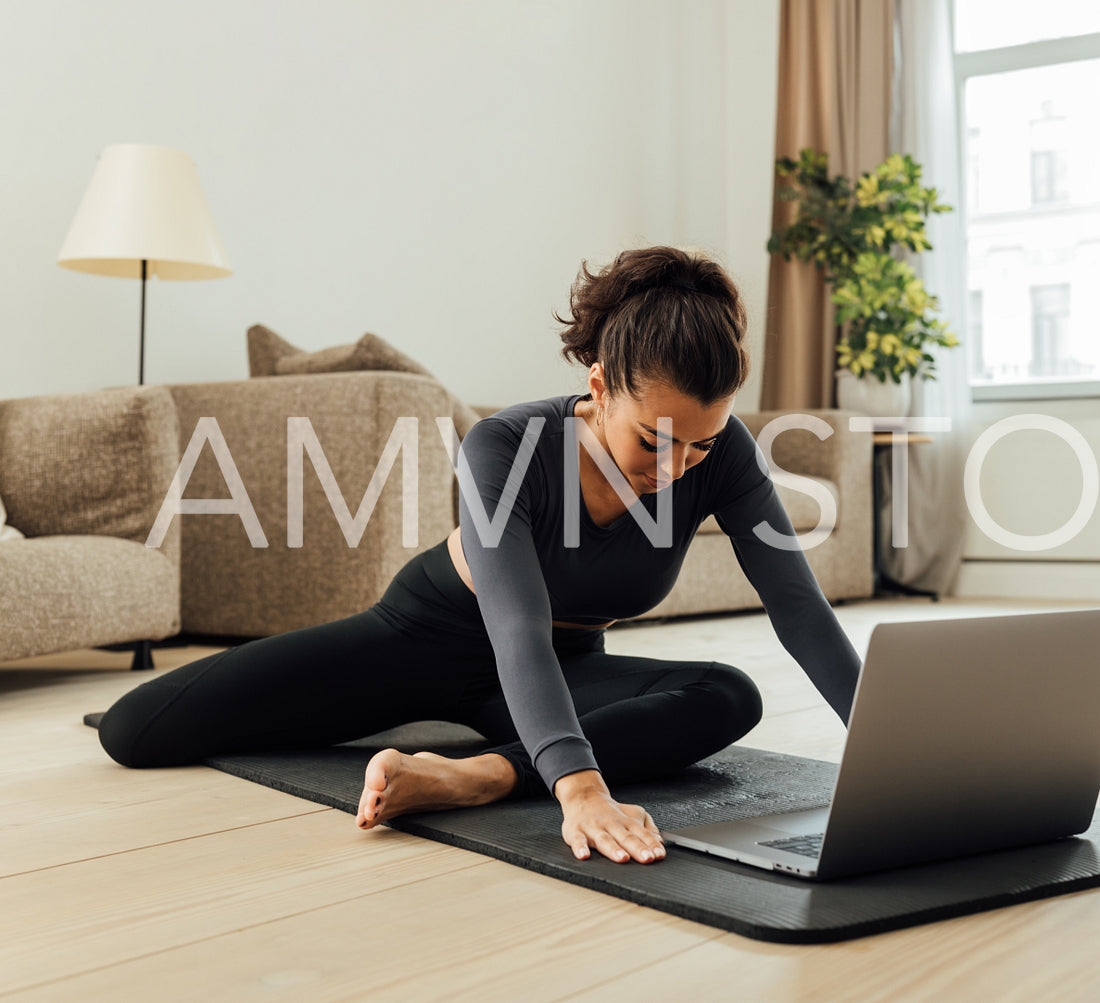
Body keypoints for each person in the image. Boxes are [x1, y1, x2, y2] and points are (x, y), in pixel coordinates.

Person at [97, 245, 862, 866]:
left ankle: (478, 772)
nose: (676, 466)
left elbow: (798, 608)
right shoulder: (505, 445)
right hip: (426, 639)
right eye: (654, 441)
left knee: (727, 695)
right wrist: (579, 785)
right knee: (135, 729)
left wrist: (883, 741)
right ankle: (520, 760)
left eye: (698, 446)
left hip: (557, 670)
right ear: (598, 385)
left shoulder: (722, 453)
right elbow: (516, 622)